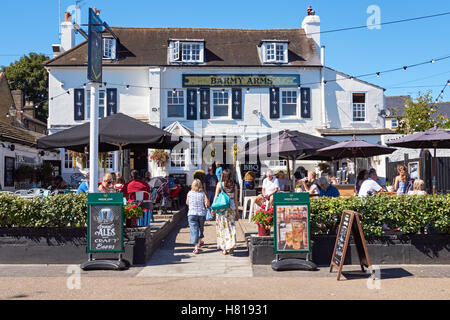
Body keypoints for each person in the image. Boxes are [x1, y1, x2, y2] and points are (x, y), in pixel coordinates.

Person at [213, 169, 239, 255]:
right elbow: (235, 200)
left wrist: (213, 209)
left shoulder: (219, 185)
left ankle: (224, 248)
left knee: (222, 228)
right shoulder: (234, 186)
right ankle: (231, 246)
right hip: (231, 209)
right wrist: (237, 211)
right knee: (231, 227)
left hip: (221, 210)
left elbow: (216, 197)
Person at [186, 179, 210, 254]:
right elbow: (208, 203)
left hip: (192, 214)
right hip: (201, 214)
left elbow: (187, 203)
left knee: (194, 230)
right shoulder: (203, 193)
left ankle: (196, 247)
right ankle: (199, 241)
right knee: (200, 228)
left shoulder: (189, 193)